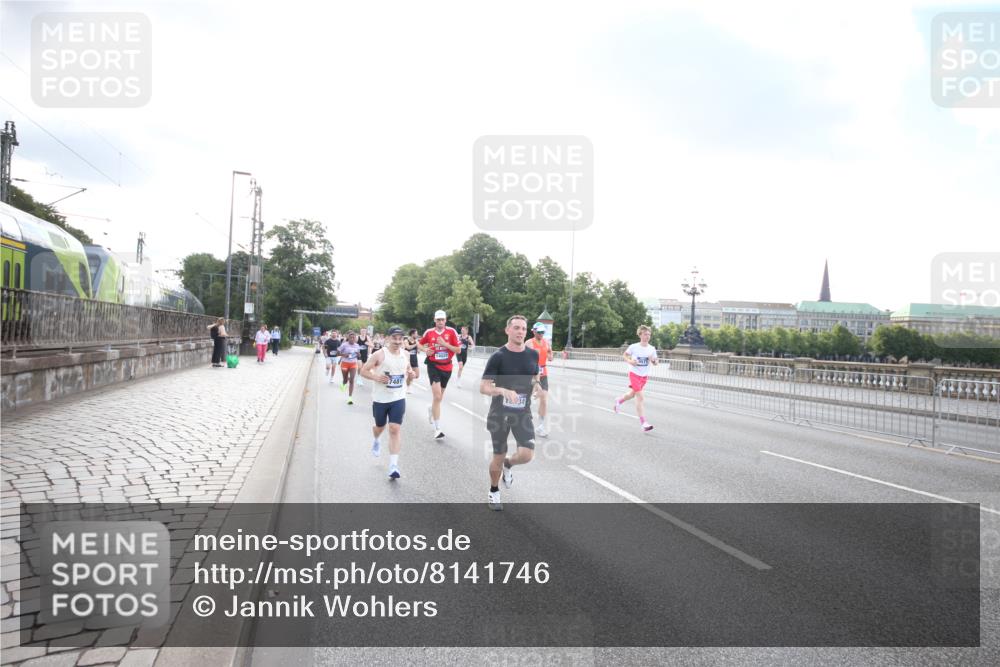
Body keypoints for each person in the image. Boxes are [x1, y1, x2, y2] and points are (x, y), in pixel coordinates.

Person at [480, 315, 539, 511]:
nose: (520, 331)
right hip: (500, 413)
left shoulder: (533, 354)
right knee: (498, 454)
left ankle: (508, 464)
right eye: (516, 328)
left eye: (523, 328)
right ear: (507, 330)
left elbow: (534, 374)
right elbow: (484, 387)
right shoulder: (498, 356)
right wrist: (503, 390)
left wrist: (537, 385)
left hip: (522, 412)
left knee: (526, 455)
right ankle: (494, 490)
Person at [361, 327, 415, 479]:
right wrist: (377, 378)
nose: (398, 341)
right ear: (388, 339)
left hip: (398, 397)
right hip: (380, 398)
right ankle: (376, 439)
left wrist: (411, 375)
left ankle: (393, 466)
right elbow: (363, 371)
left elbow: (409, 376)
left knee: (394, 428)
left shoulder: (406, 354)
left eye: (400, 338)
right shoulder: (379, 354)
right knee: (380, 426)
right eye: (394, 338)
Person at [418, 310, 461, 439]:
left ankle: (431, 409)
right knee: (437, 396)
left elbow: (458, 350)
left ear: (446, 320)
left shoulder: (452, 332)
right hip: (433, 366)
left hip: (447, 367)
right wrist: (425, 350)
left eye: (442, 319)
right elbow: (419, 343)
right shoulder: (429, 332)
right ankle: (437, 429)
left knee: (439, 398)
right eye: (438, 320)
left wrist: (445, 344)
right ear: (434, 320)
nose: (440, 322)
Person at [614, 325, 658, 432]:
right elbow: (625, 355)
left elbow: (656, 362)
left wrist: (653, 361)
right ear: (640, 335)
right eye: (645, 334)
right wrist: (630, 361)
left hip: (644, 376)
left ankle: (618, 401)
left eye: (649, 334)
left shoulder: (651, 349)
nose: (647, 336)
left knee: (632, 394)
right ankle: (644, 423)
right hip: (634, 374)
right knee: (640, 397)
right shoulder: (634, 347)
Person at [525, 322, 552, 437]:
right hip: (531, 374)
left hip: (543, 373)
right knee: (525, 399)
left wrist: (550, 355)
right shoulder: (529, 343)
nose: (541, 334)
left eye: (543, 332)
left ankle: (540, 426)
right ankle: (514, 417)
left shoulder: (546, 343)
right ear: (534, 331)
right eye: (539, 332)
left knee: (544, 400)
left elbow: (550, 353)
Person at [338, 331, 362, 404]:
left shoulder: (357, 345)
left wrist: (358, 354)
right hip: (345, 364)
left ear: (355, 338)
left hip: (353, 364)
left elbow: (359, 356)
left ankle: (350, 398)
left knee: (351, 380)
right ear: (348, 338)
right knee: (345, 379)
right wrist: (344, 355)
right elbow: (337, 352)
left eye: (353, 337)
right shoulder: (344, 345)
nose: (352, 339)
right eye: (350, 337)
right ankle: (343, 383)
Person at [404, 328, 420, 393]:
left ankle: (407, 382)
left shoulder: (416, 341)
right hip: (408, 360)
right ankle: (407, 387)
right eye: (416, 333)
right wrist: (416, 344)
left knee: (417, 375)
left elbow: (418, 350)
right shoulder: (406, 340)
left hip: (414, 359)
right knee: (411, 374)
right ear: (412, 334)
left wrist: (419, 349)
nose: (417, 335)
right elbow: (408, 347)